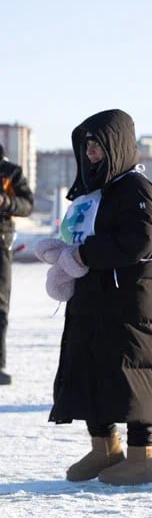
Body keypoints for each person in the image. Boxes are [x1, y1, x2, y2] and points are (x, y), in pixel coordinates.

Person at [34, 109, 152, 486]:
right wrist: (63, 251)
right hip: (93, 295)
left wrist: (84, 255)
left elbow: (139, 239)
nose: (91, 152)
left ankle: (142, 457)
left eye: (98, 144)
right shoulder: (95, 193)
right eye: (87, 145)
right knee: (90, 367)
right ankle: (105, 448)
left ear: (117, 145)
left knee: (132, 373)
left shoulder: (136, 189)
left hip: (129, 299)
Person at [0, 143, 34, 386]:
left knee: (0, 306)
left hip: (1, 244)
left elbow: (27, 204)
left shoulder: (10, 171)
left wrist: (5, 201)